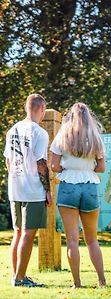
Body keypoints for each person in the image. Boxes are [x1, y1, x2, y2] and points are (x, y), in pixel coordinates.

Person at [50, 102, 106, 288]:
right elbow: (102, 168)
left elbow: (54, 166)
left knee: (72, 240)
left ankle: (77, 283)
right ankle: (102, 281)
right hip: (90, 186)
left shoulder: (63, 134)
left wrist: (67, 166)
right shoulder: (95, 136)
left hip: (68, 186)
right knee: (92, 240)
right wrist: (88, 166)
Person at [4, 94, 52, 287]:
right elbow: (41, 163)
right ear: (41, 109)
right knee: (28, 234)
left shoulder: (12, 130)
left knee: (17, 233)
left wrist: (17, 178)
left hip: (15, 188)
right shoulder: (39, 132)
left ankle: (17, 275)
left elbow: (8, 160)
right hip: (33, 190)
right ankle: (20, 278)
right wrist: (47, 189)